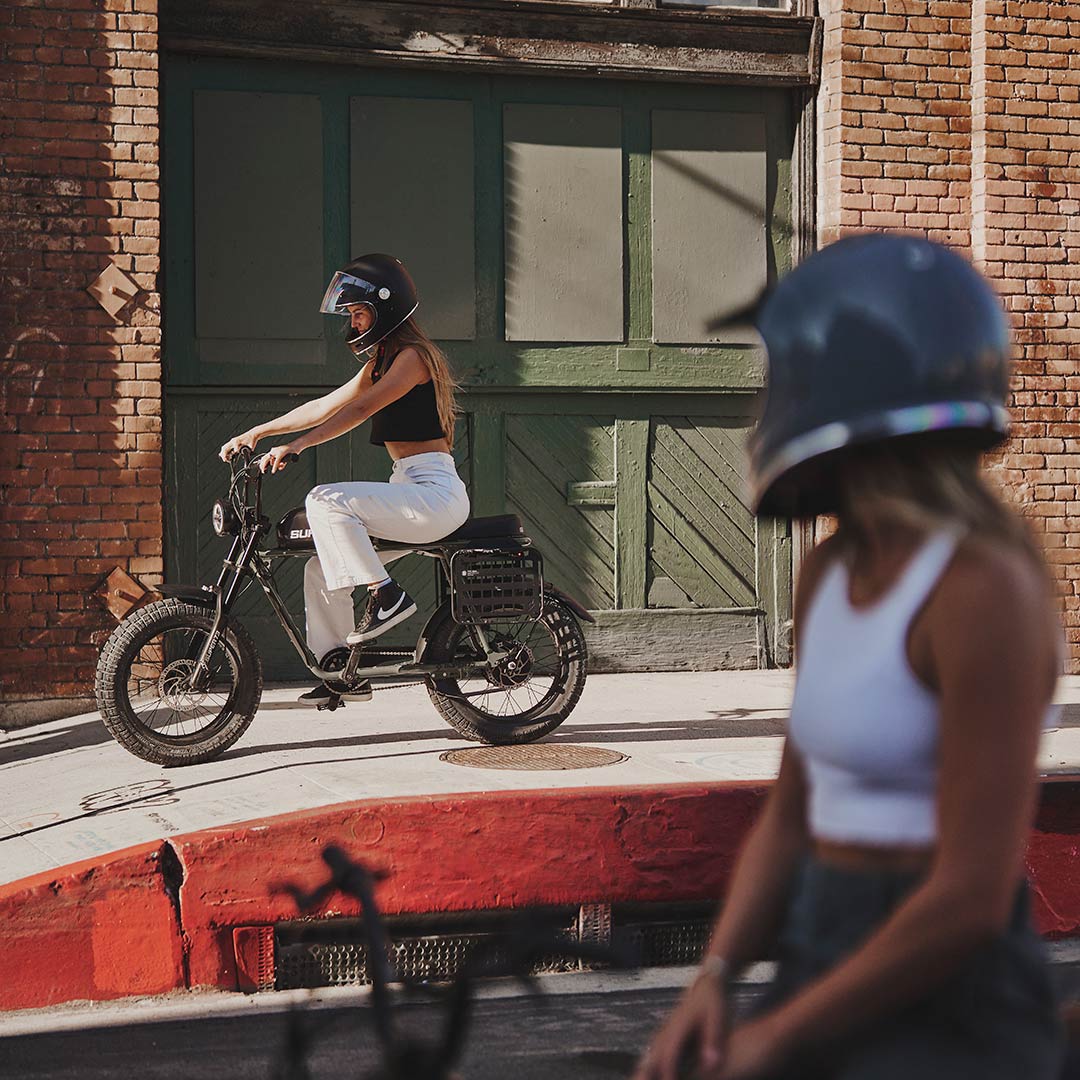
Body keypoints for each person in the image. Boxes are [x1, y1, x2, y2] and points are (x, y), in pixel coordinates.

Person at [634, 233, 1064, 1080]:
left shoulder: (981, 590)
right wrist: (715, 980)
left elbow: (972, 896)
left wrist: (785, 1034)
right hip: (821, 932)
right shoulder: (829, 570)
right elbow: (794, 810)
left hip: (947, 981)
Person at [219, 254, 469, 705]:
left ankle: (387, 595)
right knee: (321, 569)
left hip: (434, 494)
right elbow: (327, 404)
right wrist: (258, 432)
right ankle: (342, 671)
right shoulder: (381, 363)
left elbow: (359, 411)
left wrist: (297, 447)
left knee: (326, 499)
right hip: (409, 490)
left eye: (358, 313)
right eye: (351, 316)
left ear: (386, 309)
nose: (353, 325)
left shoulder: (412, 358)